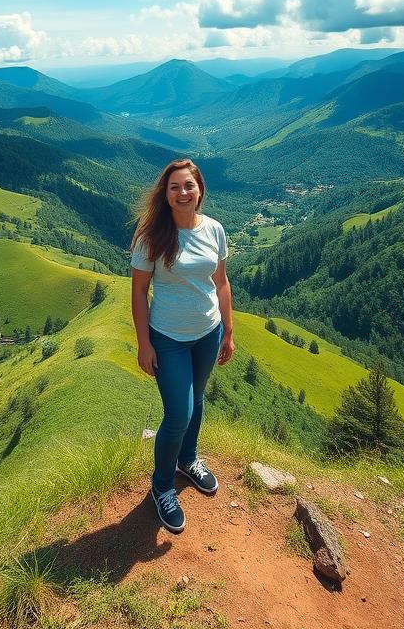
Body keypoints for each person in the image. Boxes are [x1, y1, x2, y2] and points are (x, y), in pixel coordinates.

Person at [130, 158, 235, 533]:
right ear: (166, 193)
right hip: (168, 338)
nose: (182, 192)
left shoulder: (215, 230)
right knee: (179, 412)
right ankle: (161, 486)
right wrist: (144, 343)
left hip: (207, 332)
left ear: (200, 189)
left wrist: (228, 330)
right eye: (174, 187)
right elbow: (139, 292)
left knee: (198, 400)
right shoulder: (152, 237)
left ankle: (188, 460)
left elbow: (221, 282)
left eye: (188, 185)